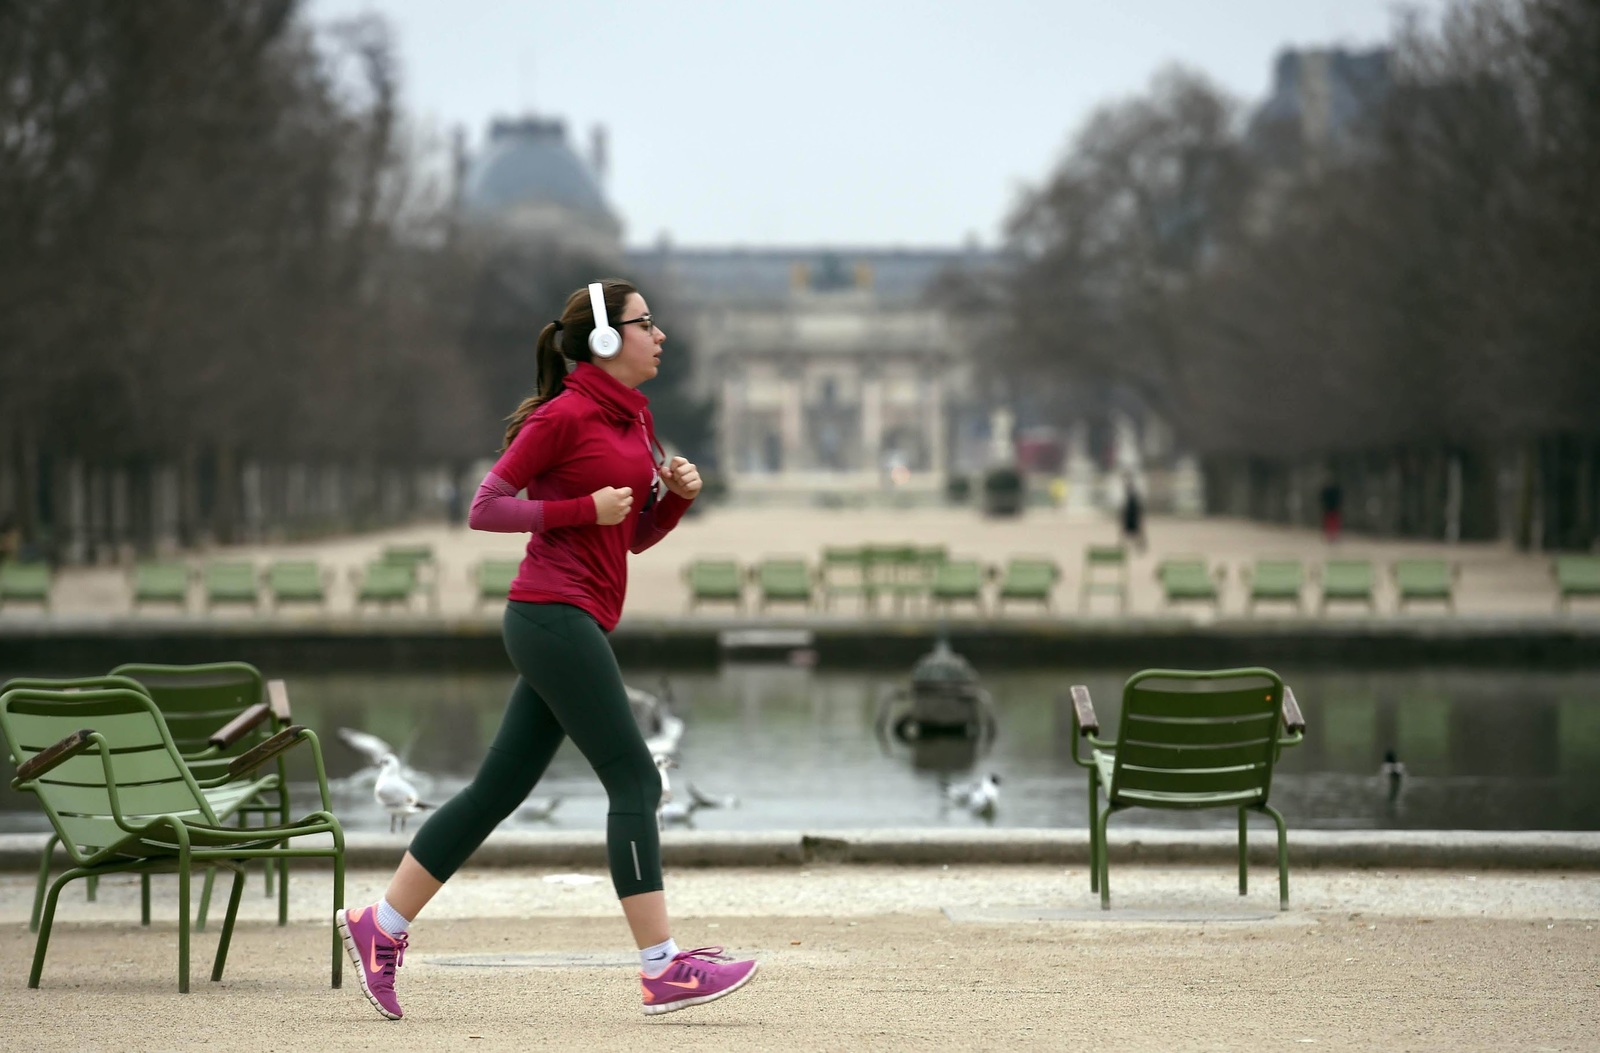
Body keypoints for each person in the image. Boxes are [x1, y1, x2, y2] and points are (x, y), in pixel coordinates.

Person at [336, 279, 757, 1021]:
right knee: (637, 781)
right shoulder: (565, 415)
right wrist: (578, 507)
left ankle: (382, 925)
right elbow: (486, 506)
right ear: (603, 340)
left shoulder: (635, 419)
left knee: (496, 791)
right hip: (549, 615)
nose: (660, 335)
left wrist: (674, 501)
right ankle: (662, 968)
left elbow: (621, 537)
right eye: (645, 323)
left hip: (576, 620)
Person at [1119, 472, 1145, 553]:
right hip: (1131, 518)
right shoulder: (1133, 496)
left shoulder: (1132, 497)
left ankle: (1138, 547)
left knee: (1133, 535)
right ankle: (1138, 547)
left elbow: (1137, 509)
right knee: (1134, 535)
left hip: (1132, 518)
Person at [1320, 478, 1343, 543]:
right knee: (1329, 522)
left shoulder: (1333, 490)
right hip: (1329, 508)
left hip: (1333, 508)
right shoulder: (1330, 490)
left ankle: (1333, 536)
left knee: (1333, 522)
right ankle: (1330, 536)